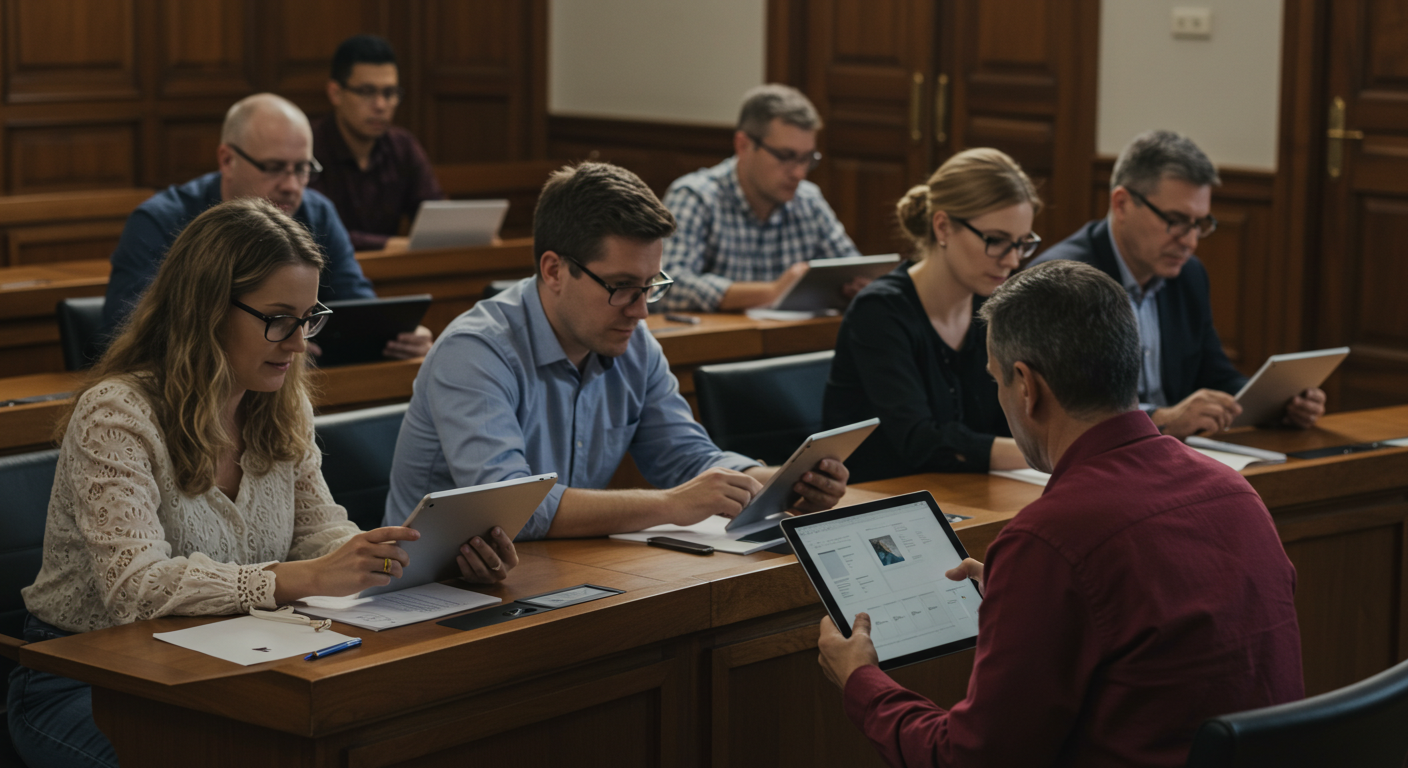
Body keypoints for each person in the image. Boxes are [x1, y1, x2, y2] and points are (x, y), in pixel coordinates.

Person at [8, 198, 516, 768]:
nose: (299, 343)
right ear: (206, 310)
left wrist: (401, 558)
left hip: (226, 661)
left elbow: (320, 533)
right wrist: (304, 577)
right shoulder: (117, 414)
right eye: (279, 319)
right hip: (86, 678)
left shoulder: (278, 402)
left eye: (310, 319)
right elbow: (137, 589)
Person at [816, 260, 1304, 768]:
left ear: (1026, 386)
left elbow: (968, 760)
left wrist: (861, 681)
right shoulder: (1234, 492)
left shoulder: (1050, 539)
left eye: (995, 381)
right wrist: (1027, 595)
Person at [384, 161, 851, 538]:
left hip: (552, 572)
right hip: (429, 592)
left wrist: (778, 481)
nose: (642, 311)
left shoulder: (634, 343)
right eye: (623, 287)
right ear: (553, 271)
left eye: (652, 286)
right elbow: (514, 509)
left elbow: (687, 459)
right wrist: (670, 504)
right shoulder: (476, 351)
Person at [1029, 130, 1324, 437]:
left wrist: (1279, 404)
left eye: (1199, 224)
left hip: (1170, 452)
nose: (1191, 241)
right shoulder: (1065, 282)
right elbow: (1065, 408)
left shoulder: (1188, 275)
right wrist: (1161, 419)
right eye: (1175, 220)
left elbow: (1214, 375)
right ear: (1122, 204)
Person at [102, 92, 433, 360]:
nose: (291, 185)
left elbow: (357, 305)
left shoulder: (317, 212)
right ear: (227, 160)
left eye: (303, 169)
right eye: (275, 168)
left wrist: (397, 334)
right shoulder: (158, 221)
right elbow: (130, 332)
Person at [824, 149, 1038, 482]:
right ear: (942, 227)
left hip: (967, 495)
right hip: (878, 504)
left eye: (1023, 243)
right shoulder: (879, 311)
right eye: (996, 241)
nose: (1012, 260)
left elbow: (1015, 418)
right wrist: (1043, 450)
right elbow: (920, 442)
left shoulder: (995, 310)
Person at [657, 84, 862, 312]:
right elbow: (666, 286)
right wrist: (773, 291)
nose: (799, 173)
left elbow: (851, 269)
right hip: (721, 345)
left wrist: (858, 286)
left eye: (807, 158)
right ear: (743, 145)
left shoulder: (808, 200)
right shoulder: (695, 196)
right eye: (786, 156)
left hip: (794, 342)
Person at [311, 34, 445, 252]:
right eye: (367, 92)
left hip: (391, 274)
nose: (381, 105)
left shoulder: (403, 146)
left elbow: (436, 215)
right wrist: (394, 245)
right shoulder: (307, 146)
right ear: (335, 93)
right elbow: (314, 233)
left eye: (390, 93)